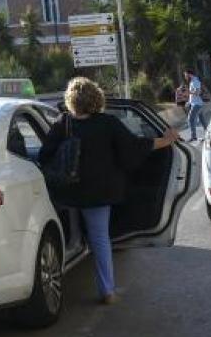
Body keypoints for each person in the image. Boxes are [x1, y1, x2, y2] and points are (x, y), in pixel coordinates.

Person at [39, 78, 180, 304]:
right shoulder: (107, 123)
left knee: (68, 233)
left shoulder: (61, 123)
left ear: (70, 100)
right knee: (100, 239)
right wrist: (166, 141)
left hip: (66, 193)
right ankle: (107, 290)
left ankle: (66, 263)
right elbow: (133, 148)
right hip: (97, 194)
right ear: (96, 98)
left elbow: (44, 156)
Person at [185, 68, 205, 142]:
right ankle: (208, 134)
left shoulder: (195, 81)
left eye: (185, 75)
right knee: (203, 121)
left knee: (190, 119)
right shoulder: (192, 81)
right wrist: (189, 102)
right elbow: (193, 94)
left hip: (197, 104)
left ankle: (193, 137)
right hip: (196, 103)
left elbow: (197, 93)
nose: (185, 77)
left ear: (189, 74)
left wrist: (189, 92)